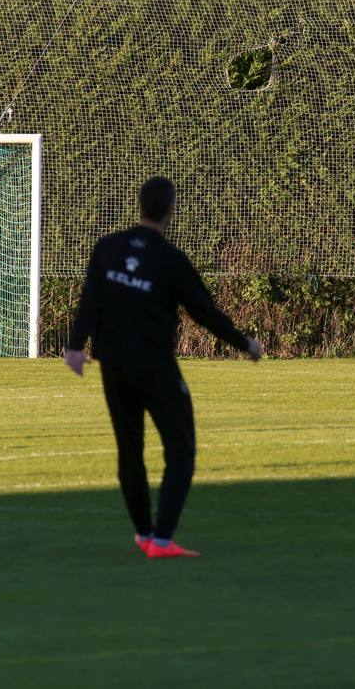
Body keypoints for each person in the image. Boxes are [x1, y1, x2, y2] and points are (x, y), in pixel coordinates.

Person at [66, 177, 261, 559]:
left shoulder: (107, 248)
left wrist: (75, 347)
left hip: (114, 367)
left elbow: (91, 298)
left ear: (139, 205)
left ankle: (143, 532)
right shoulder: (170, 259)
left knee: (130, 449)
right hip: (154, 366)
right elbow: (204, 312)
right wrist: (245, 343)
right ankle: (161, 539)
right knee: (182, 449)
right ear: (170, 210)